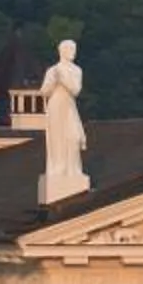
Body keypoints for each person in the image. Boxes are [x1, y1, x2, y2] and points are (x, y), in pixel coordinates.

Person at [40, 40, 87, 191]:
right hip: (55, 106)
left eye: (74, 49)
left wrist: (63, 79)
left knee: (73, 136)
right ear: (62, 51)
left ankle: (73, 169)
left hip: (69, 106)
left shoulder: (76, 70)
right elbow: (44, 91)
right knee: (57, 137)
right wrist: (54, 80)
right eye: (70, 49)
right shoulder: (53, 70)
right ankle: (58, 168)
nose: (73, 52)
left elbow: (75, 90)